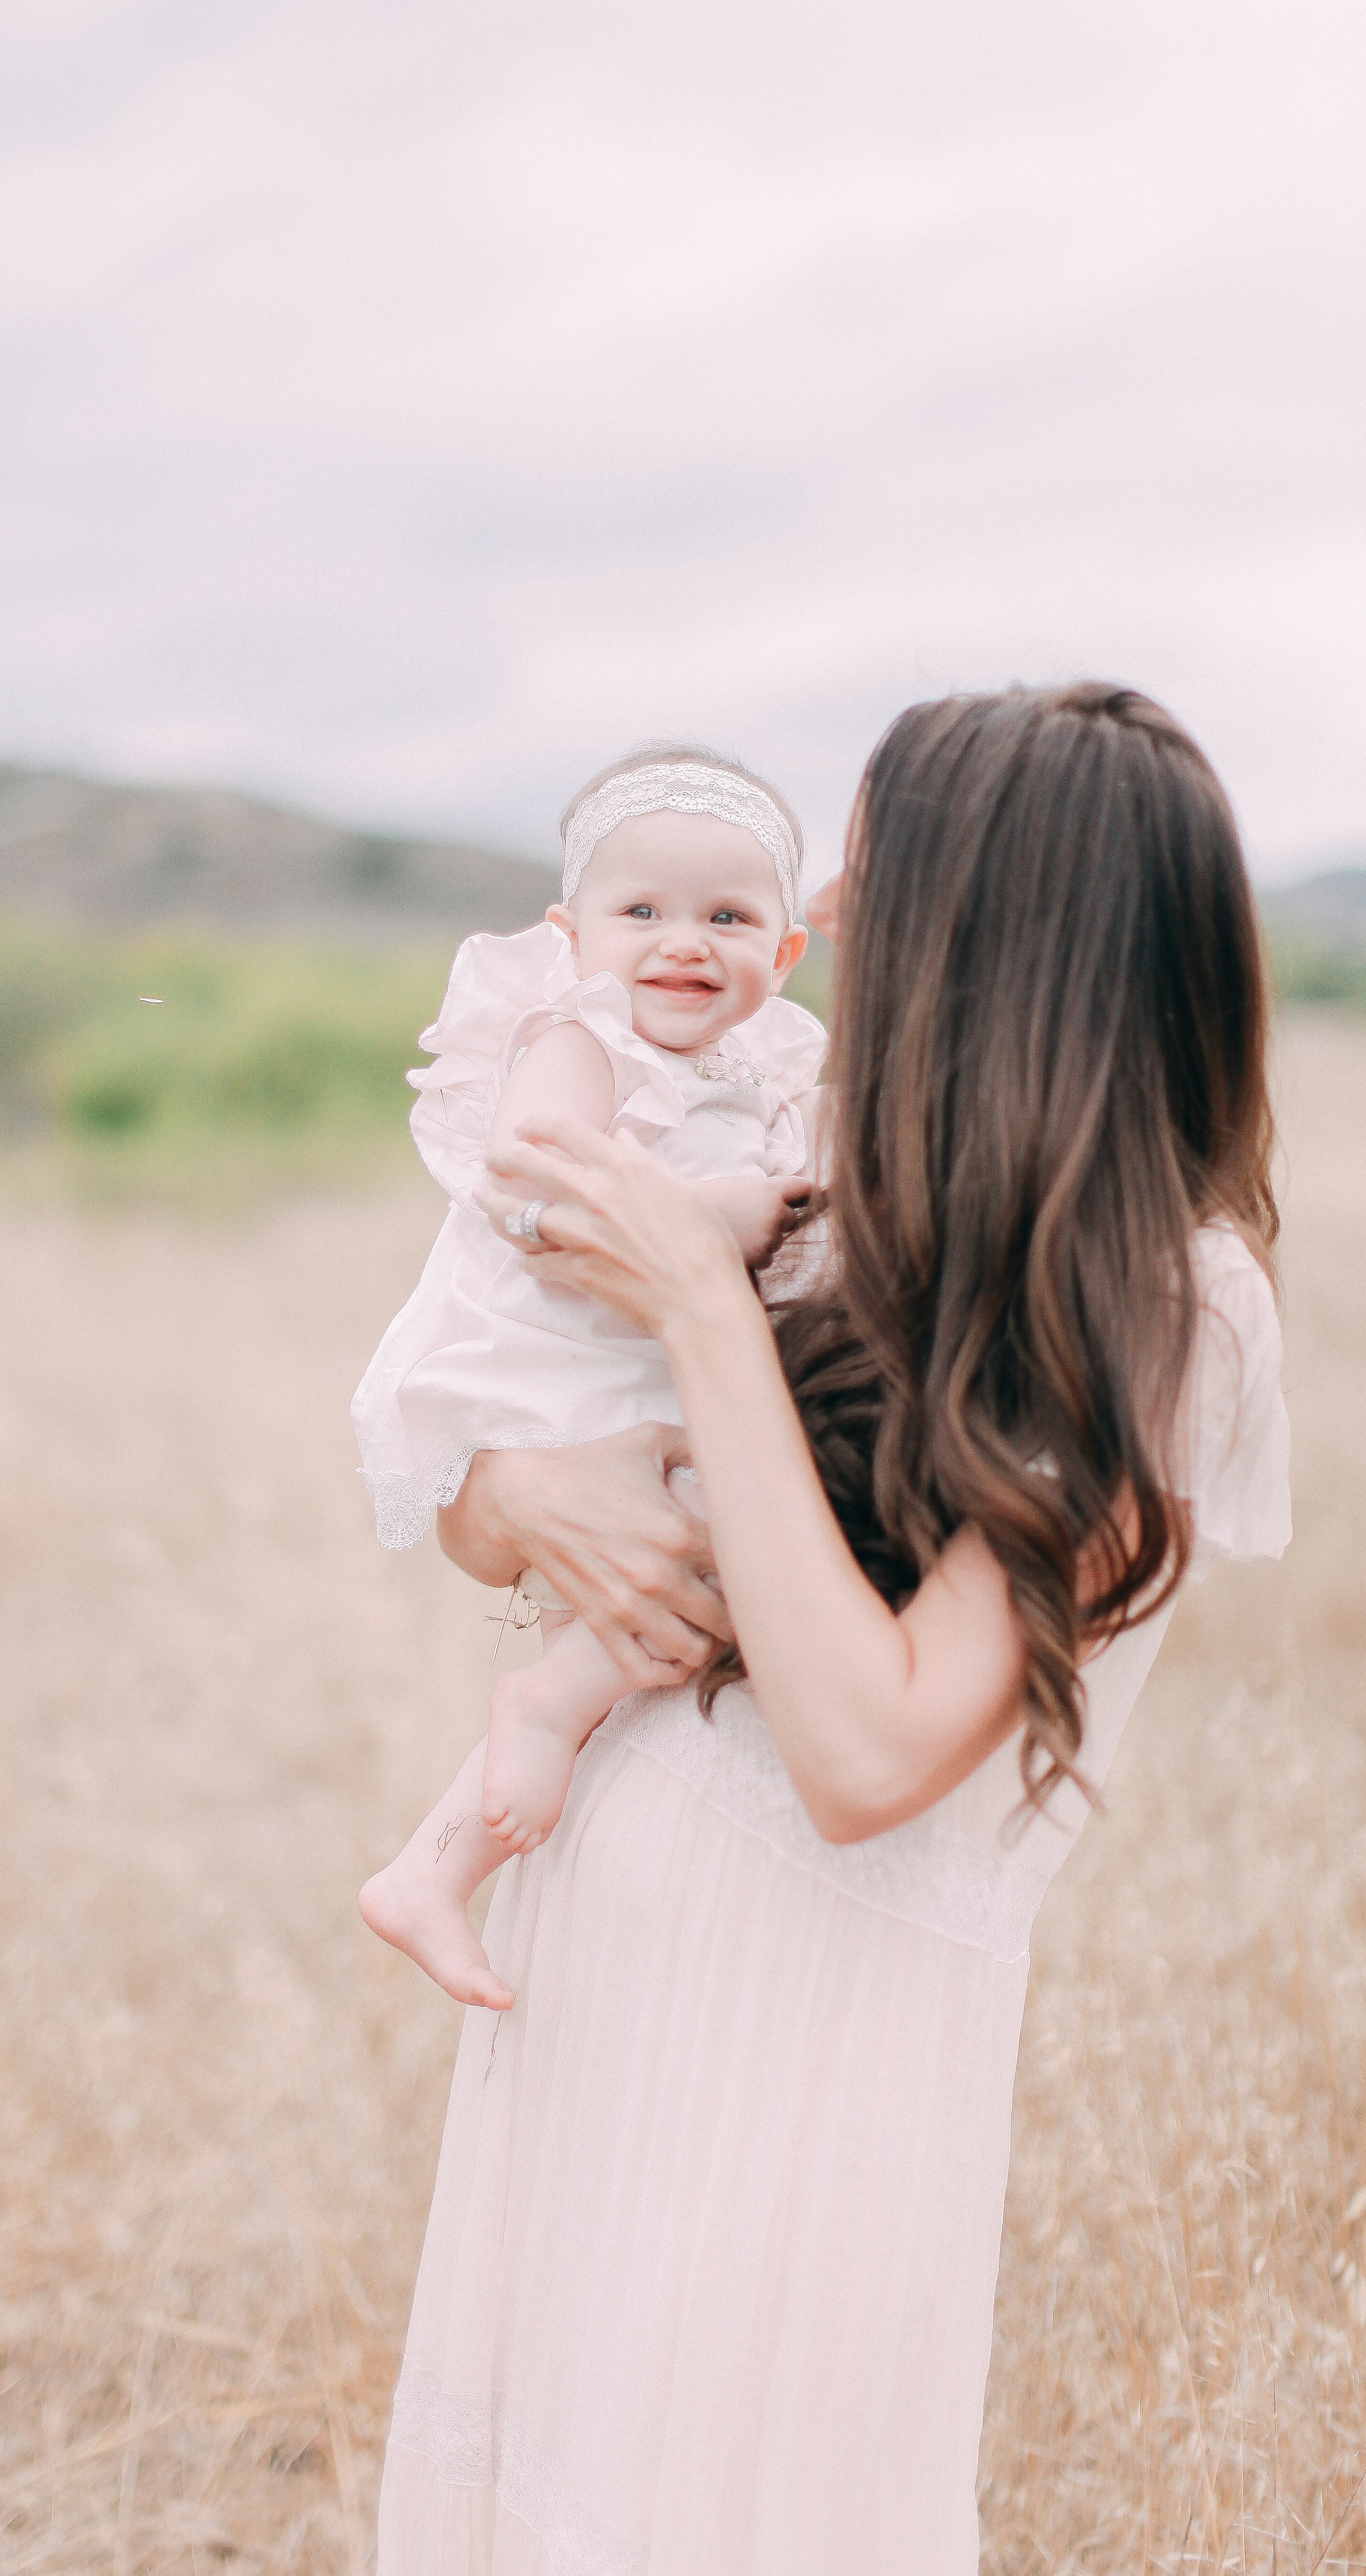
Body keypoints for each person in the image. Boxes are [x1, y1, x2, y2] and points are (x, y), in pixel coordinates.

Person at [374, 683, 1292, 2575]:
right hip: (601, 2003)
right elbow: (507, 1494)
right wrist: (518, 1494)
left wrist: (706, 1308)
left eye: (867, 868)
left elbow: (868, 1750)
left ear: (982, 942)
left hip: (804, 2058)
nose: (827, 908)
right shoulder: (855, 1205)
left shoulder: (1164, 1309)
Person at [354, 748, 826, 2010]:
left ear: (784, 956)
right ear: (570, 940)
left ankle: (434, 1868)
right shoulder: (581, 1029)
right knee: (698, 1567)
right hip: (560, 1360)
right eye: (643, 912)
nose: (685, 941)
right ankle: (547, 1713)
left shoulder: (770, 1067)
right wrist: (716, 1206)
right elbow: (533, 1164)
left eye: (729, 918)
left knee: (675, 1601)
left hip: (652, 1363)